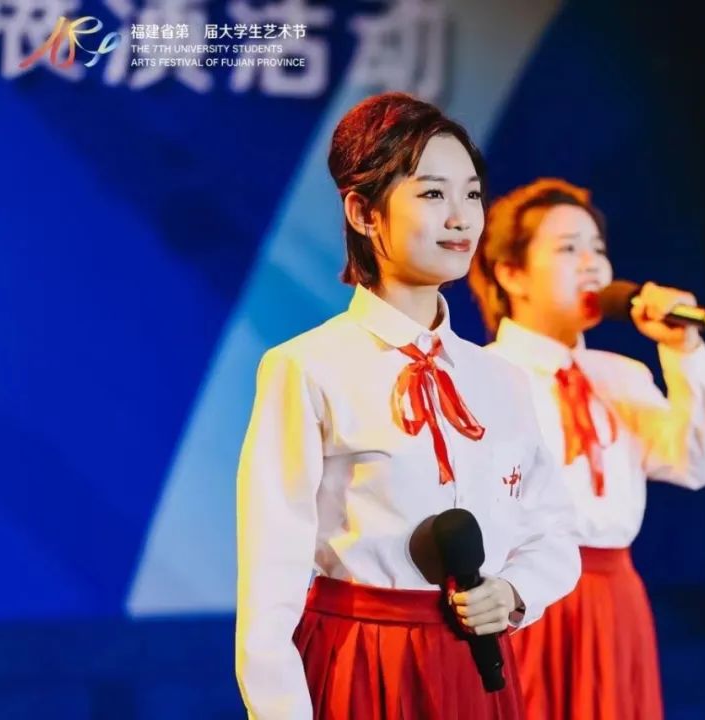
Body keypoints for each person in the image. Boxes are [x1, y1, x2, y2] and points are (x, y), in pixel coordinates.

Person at [235, 96, 580, 720]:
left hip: (478, 672)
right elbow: (271, 577)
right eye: (432, 194)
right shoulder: (306, 367)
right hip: (362, 663)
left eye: (472, 194)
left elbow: (553, 532)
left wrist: (512, 592)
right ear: (364, 212)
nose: (461, 218)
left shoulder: (501, 377)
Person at [468, 178, 705, 719]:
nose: (592, 264)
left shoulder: (621, 376)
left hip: (614, 597)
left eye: (598, 249)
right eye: (569, 249)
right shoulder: (482, 376)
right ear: (511, 273)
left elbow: (696, 462)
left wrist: (683, 351)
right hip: (525, 599)